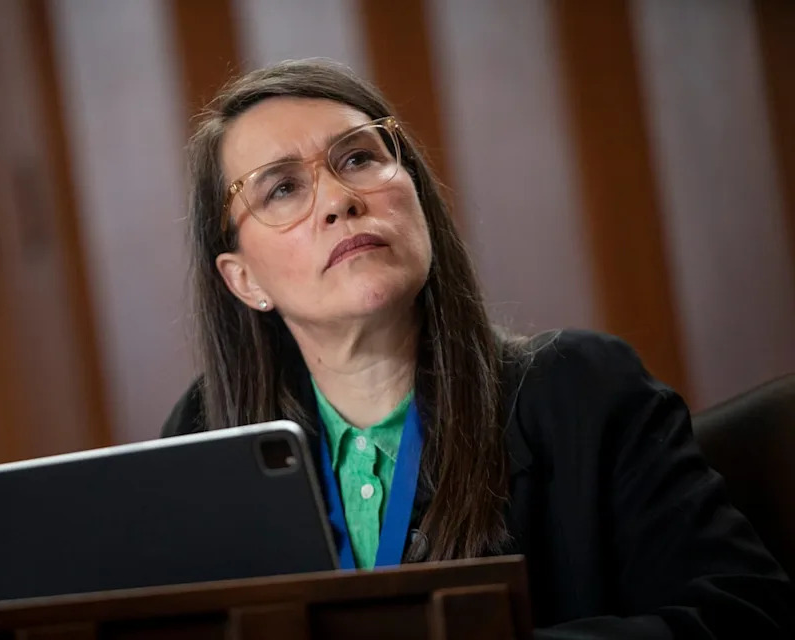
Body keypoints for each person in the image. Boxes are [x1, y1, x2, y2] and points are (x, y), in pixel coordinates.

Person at [161, 59, 793, 637]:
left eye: (357, 158)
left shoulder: (579, 392)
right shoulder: (205, 439)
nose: (339, 199)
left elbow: (746, 616)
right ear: (244, 280)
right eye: (282, 189)